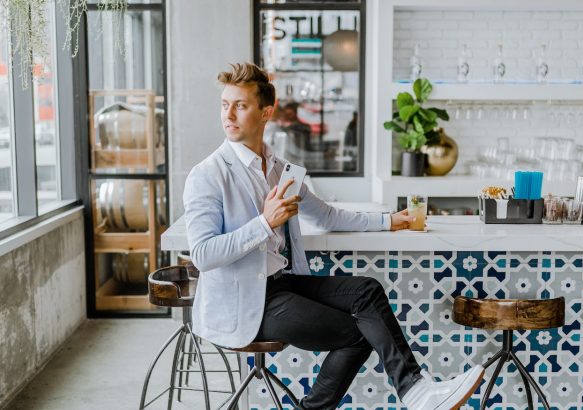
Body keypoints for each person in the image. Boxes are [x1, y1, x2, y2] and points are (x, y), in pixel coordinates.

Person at [183, 62, 484, 410]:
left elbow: (326, 215)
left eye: (241, 105)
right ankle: (398, 397)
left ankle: (416, 392)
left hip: (282, 283)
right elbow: (203, 254)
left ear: (266, 112)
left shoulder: (278, 168)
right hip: (246, 303)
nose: (229, 114)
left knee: (367, 292)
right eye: (225, 104)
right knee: (360, 334)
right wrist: (264, 223)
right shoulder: (206, 175)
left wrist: (389, 220)